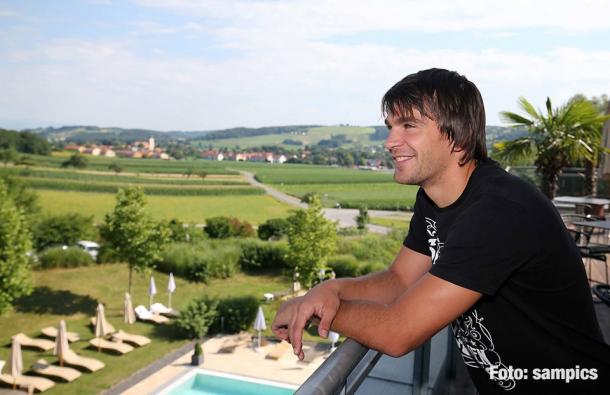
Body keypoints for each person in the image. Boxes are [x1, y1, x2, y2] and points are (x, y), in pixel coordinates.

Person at [272, 68, 610, 393]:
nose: (391, 141)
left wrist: (313, 311)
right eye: (390, 126)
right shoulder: (433, 198)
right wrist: (332, 289)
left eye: (409, 126)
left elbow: (398, 332)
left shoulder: (499, 212)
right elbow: (400, 280)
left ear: (458, 138)